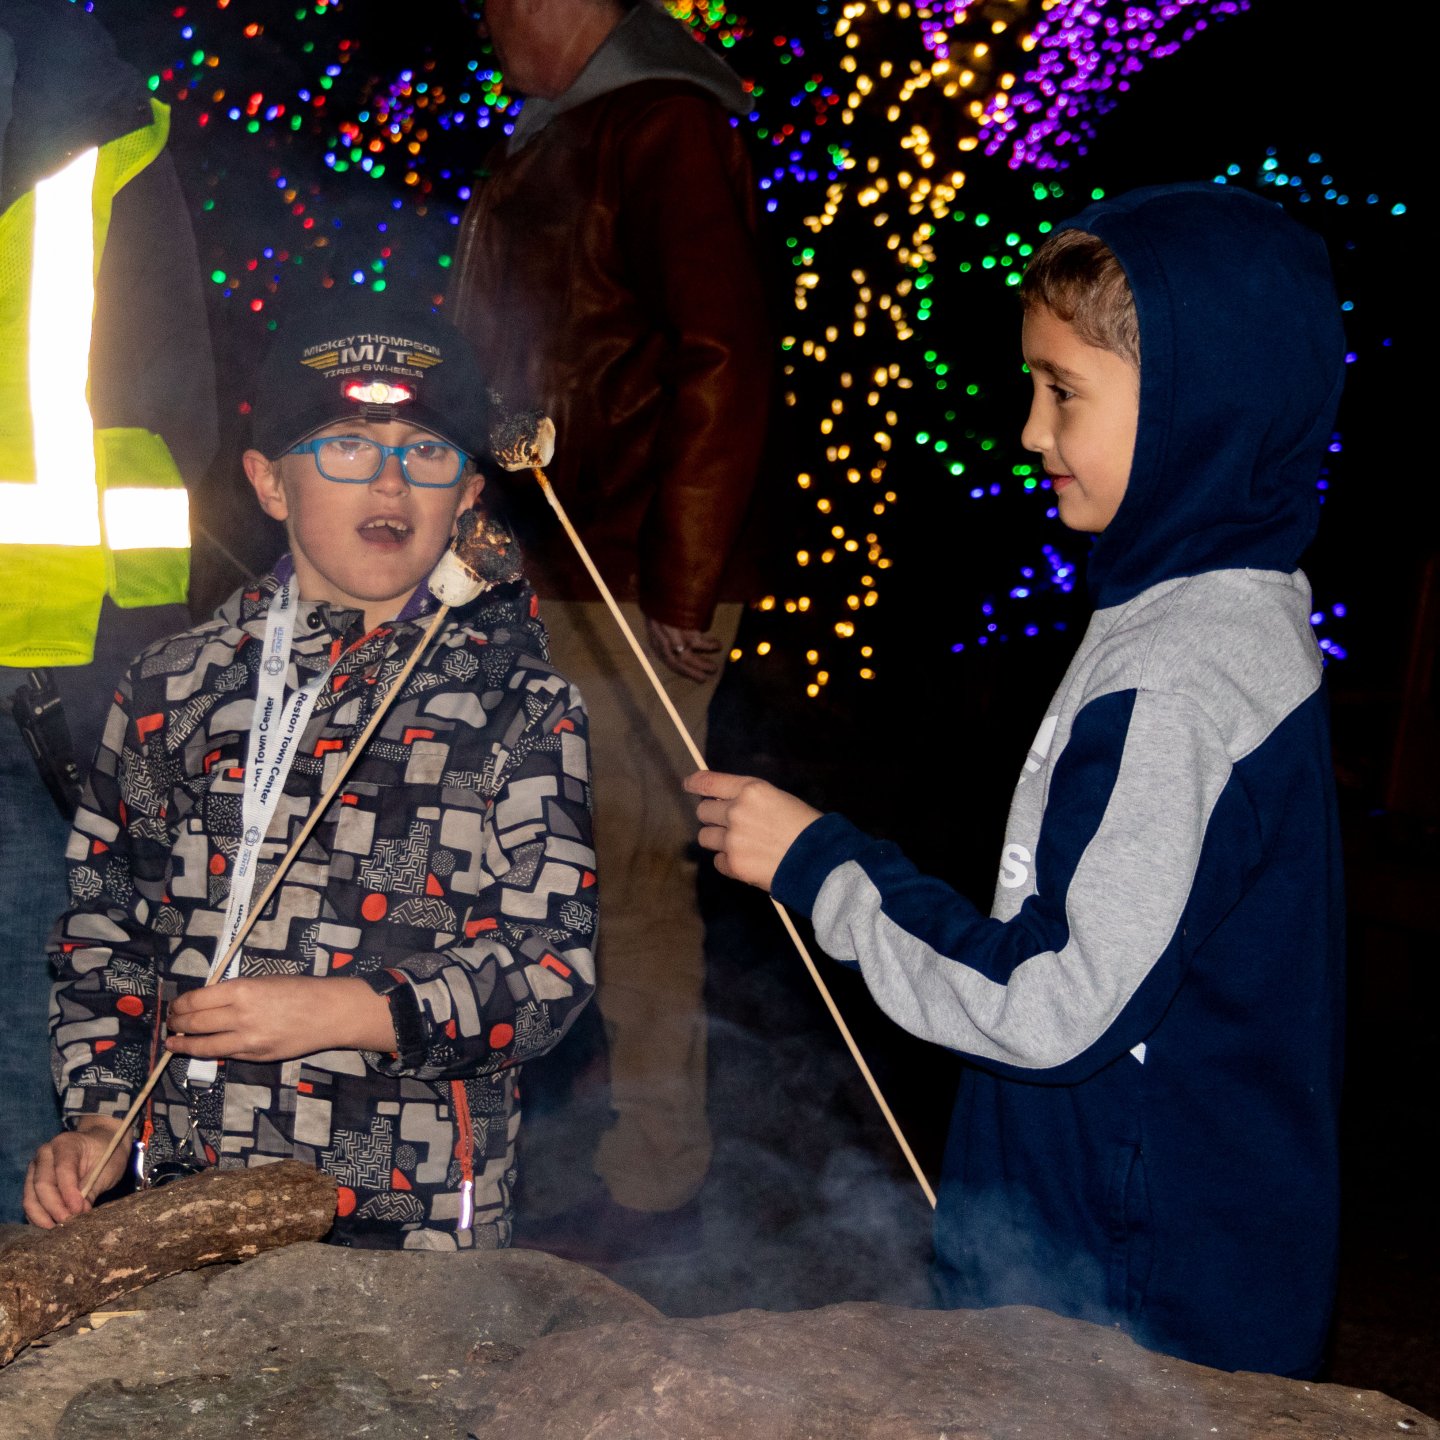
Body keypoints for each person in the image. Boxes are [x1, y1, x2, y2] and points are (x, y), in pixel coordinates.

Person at [686, 184, 1346, 1377]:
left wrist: (823, 865)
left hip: (1133, 1297)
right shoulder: (1200, 605)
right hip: (1116, 1242)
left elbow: (1053, 1004)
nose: (1031, 432)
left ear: (1201, 408)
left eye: (1063, 392)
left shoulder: (1182, 674)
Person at [24, 297, 596, 1250]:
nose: (389, 480)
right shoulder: (172, 685)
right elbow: (104, 929)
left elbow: (548, 970)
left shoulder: (521, 702)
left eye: (426, 451)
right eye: (344, 446)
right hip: (185, 1198)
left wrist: (338, 1011)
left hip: (407, 1219)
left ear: (468, 494)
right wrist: (98, 1117)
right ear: (269, 482)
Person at [449, 0, 769, 1251]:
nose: (486, 24)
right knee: (521, 849)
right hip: (546, 558)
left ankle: (655, 1179)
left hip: (627, 566)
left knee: (628, 867)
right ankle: (543, 1128)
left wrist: (684, 577)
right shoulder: (561, 130)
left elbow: (723, 351)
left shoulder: (667, 126)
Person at [0, 1, 217, 1224]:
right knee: (46, 1016)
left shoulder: (100, 134)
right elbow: (174, 407)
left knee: (47, 1026)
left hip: (63, 672)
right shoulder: (107, 127)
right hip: (77, 651)